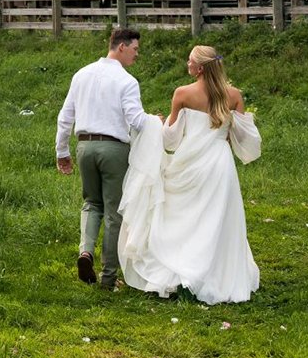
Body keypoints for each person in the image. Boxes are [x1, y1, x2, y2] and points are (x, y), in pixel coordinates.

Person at [117, 44, 262, 305]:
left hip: (189, 161)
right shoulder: (234, 96)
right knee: (217, 217)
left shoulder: (183, 94)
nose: (187, 64)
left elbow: (171, 140)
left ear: (199, 68)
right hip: (219, 162)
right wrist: (227, 133)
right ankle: (216, 271)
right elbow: (247, 140)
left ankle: (182, 266)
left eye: (190, 61)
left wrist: (159, 125)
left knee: (186, 215)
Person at [55, 27, 148, 291]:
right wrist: (156, 122)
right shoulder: (127, 81)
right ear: (121, 47)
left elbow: (65, 117)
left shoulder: (81, 74)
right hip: (114, 150)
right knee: (113, 212)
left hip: (85, 147)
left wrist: (62, 151)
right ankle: (108, 278)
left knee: (90, 203)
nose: (136, 55)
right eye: (135, 49)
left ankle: (86, 252)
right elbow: (136, 121)